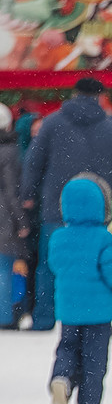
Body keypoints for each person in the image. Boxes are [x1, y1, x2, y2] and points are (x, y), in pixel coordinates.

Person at [20, 77, 112, 331]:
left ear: (74, 93)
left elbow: (34, 162)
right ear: (101, 96)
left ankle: (44, 317)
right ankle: (93, 316)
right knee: (98, 264)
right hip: (99, 211)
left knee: (51, 264)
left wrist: (28, 193)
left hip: (57, 207)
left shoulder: (51, 124)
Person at [47, 175, 112, 404]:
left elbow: (55, 266)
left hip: (69, 308)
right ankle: (88, 403)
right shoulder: (103, 238)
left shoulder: (58, 237)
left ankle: (62, 377)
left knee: (67, 347)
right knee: (94, 359)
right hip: (98, 312)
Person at [0, 103, 25, 329]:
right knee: (4, 267)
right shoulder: (9, 152)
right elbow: (10, 190)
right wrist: (21, 220)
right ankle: (5, 316)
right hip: (3, 216)